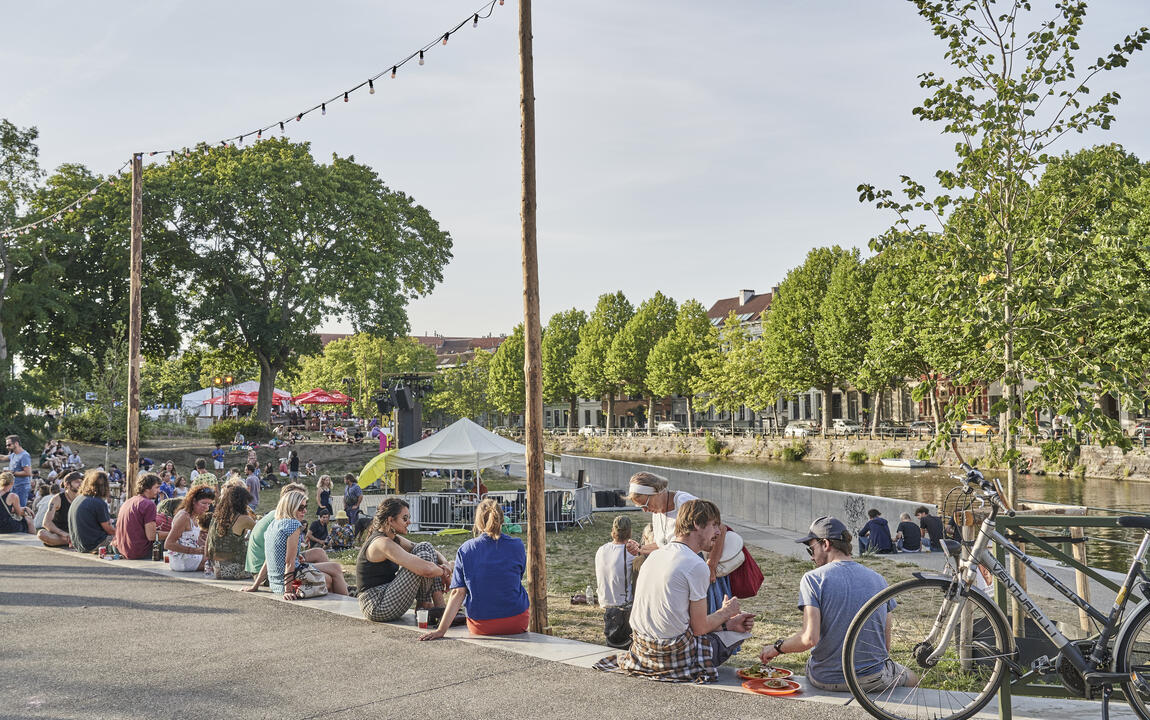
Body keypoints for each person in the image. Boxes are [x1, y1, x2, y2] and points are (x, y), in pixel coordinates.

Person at [592, 499, 754, 682]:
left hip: (641, 652)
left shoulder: (655, 556)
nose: (718, 532)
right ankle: (727, 631)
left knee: (723, 628)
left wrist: (725, 622)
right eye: (714, 525)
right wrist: (727, 612)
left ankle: (728, 627)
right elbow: (699, 628)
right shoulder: (696, 565)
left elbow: (678, 621)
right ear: (696, 524)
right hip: (672, 658)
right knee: (737, 635)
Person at [758, 515, 918, 692]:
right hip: (873, 678)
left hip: (824, 678)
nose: (811, 557)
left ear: (825, 544)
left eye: (811, 549)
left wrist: (776, 648)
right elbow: (885, 646)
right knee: (913, 678)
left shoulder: (813, 579)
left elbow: (809, 639)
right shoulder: (878, 579)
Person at [420, 499, 529, 640]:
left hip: (481, 624)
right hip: (516, 621)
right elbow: (515, 577)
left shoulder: (466, 549)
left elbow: (457, 593)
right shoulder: (517, 546)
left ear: (477, 522)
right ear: (502, 519)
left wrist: (441, 630)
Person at [624, 471, 731, 613]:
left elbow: (720, 528)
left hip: (696, 567)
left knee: (704, 614)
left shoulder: (684, 502)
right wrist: (640, 549)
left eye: (646, 504)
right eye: (640, 507)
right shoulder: (657, 513)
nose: (645, 510)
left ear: (658, 492)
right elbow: (664, 545)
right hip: (677, 570)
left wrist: (711, 565)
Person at [359, 497, 452, 624]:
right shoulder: (382, 543)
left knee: (425, 546)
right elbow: (426, 569)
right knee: (424, 559)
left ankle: (436, 606)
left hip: (387, 593)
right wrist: (446, 571)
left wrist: (445, 563)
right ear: (390, 520)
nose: (409, 522)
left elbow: (430, 550)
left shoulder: (393, 538)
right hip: (376, 604)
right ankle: (428, 606)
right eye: (405, 518)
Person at [243, 483, 331, 592]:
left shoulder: (277, 518)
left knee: (320, 554)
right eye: (299, 502)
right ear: (289, 500)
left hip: (271, 568)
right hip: (270, 573)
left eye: (305, 504)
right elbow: (285, 561)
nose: (304, 508)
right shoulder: (285, 521)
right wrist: (288, 590)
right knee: (327, 577)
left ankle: (343, 590)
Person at [264, 490, 349, 599]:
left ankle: (342, 592)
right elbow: (289, 562)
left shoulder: (274, 523)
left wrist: (255, 585)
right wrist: (288, 591)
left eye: (305, 507)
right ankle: (347, 602)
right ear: (291, 507)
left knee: (320, 553)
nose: (305, 511)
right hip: (290, 582)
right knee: (334, 571)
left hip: (275, 582)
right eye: (300, 508)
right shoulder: (293, 524)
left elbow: (270, 556)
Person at [596, 515, 638, 648]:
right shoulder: (630, 553)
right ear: (630, 532)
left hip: (606, 601)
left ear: (613, 531)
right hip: (623, 604)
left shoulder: (601, 549)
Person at [206, 484, 256, 580]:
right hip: (235, 569)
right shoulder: (243, 519)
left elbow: (208, 540)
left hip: (217, 568)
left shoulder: (216, 517)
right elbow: (262, 531)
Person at [164, 484, 215, 572]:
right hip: (183, 560)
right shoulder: (184, 516)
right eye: (203, 503)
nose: (206, 507)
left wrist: (207, 546)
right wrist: (195, 550)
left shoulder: (193, 515)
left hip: (190, 556)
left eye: (209, 504)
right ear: (193, 501)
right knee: (221, 565)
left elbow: (191, 539)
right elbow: (168, 544)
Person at [112, 473, 161, 559]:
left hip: (119, 548)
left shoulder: (128, 501)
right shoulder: (149, 504)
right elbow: (151, 536)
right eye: (156, 487)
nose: (159, 490)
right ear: (147, 488)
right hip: (137, 551)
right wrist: (174, 534)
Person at [68, 470, 116, 553]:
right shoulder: (98, 502)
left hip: (78, 544)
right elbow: (109, 530)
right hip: (94, 544)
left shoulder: (78, 499)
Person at [38, 470, 83, 546]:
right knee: (42, 534)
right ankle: (73, 542)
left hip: (77, 534)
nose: (80, 484)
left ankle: (74, 541)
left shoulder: (83, 499)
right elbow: (46, 523)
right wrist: (64, 534)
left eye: (81, 482)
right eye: (77, 482)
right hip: (60, 535)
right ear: (67, 485)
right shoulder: (57, 499)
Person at [0, 435, 33, 507]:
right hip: (13, 486)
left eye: (9, 445)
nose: (7, 447)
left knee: (20, 507)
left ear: (16, 444)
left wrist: (11, 472)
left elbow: (28, 472)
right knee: (13, 508)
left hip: (21, 487)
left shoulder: (24, 455)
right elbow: (3, 457)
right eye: (6, 445)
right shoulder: (13, 454)